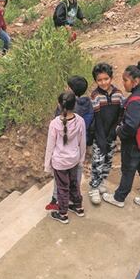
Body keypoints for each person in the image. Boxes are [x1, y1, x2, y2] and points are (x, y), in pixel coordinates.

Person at [102, 61, 140, 209]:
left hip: (134, 143)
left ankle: (119, 198)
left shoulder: (135, 102)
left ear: (136, 81)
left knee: (128, 169)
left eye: (126, 81)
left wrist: (118, 131)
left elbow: (131, 126)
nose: (124, 84)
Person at [45, 76, 91, 211]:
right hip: (75, 156)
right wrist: (81, 158)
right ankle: (77, 206)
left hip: (60, 160)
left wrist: (47, 165)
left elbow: (50, 146)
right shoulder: (83, 115)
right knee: (74, 182)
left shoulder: (55, 123)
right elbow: (83, 140)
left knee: (61, 186)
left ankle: (61, 209)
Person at [87, 62, 125, 205]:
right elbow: (96, 119)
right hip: (99, 134)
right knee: (98, 161)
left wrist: (113, 133)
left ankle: (102, 182)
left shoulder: (118, 94)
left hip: (112, 134)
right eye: (99, 80)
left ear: (111, 78)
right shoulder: (95, 96)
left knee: (108, 160)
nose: (103, 82)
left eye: (106, 79)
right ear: (96, 81)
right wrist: (100, 137)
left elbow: (120, 115)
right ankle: (94, 188)